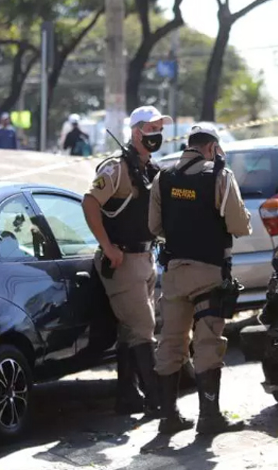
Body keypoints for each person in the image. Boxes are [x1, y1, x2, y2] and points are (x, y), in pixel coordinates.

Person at [149, 124, 252, 435]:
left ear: (189, 145)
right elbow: (239, 225)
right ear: (212, 147)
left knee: (170, 343)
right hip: (208, 272)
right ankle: (209, 418)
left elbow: (154, 226)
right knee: (208, 342)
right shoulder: (220, 175)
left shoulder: (163, 177)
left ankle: (168, 417)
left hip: (175, 273)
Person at [82, 105, 169, 417]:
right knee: (143, 328)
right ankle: (158, 403)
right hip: (122, 260)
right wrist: (107, 247)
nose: (157, 134)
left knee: (130, 331)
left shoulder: (150, 169)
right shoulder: (117, 169)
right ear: (136, 133)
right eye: (152, 129)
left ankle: (127, 397)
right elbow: (90, 202)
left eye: (160, 128)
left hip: (145, 258)